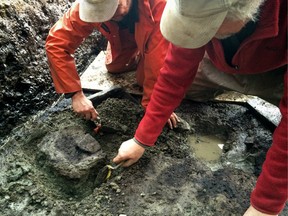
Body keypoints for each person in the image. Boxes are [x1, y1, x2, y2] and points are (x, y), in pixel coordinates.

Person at [113, 0, 287, 215]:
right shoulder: (194, 8)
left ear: (246, 10)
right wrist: (141, 139)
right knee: (189, 89)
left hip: (277, 73)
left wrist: (265, 207)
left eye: (208, 25)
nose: (196, 29)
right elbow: (173, 77)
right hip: (224, 65)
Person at [45, 0, 179, 129]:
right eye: (106, 12)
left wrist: (156, 107)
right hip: (121, 34)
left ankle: (147, 55)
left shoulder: (159, 6)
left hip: (156, 34)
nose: (114, 14)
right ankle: (137, 55)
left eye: (116, 6)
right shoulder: (89, 3)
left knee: (144, 79)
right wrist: (75, 94)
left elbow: (157, 61)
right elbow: (57, 43)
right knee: (115, 67)